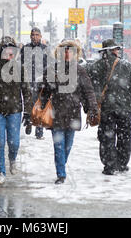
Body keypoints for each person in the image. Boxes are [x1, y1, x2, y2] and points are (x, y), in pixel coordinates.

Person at [86, 39, 131, 176]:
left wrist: (88, 105)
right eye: (116, 49)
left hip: (105, 109)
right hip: (124, 108)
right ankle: (122, 163)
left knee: (106, 137)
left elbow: (87, 86)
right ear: (111, 50)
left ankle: (109, 165)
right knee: (124, 136)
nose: (118, 52)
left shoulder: (95, 67)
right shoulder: (126, 66)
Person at [40, 40, 98, 184]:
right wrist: (40, 108)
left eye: (70, 51)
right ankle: (61, 174)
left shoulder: (80, 70)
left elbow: (88, 91)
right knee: (59, 146)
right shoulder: (52, 70)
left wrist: (92, 108)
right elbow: (44, 91)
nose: (67, 54)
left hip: (73, 114)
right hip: (57, 113)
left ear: (75, 53)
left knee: (67, 146)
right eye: (64, 51)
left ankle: (61, 166)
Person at [0, 36, 32, 185]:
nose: (9, 54)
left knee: (14, 142)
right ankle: (0, 171)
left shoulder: (20, 68)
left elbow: (27, 91)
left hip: (14, 110)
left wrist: (28, 112)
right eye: (6, 51)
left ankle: (12, 159)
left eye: (12, 51)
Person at [21, 27, 48, 140]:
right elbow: (20, 63)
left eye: (37, 34)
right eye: (33, 35)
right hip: (28, 81)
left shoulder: (45, 49)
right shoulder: (25, 48)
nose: (34, 37)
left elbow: (49, 65)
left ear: (41, 36)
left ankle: (39, 131)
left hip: (40, 82)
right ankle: (29, 122)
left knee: (40, 106)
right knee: (29, 103)